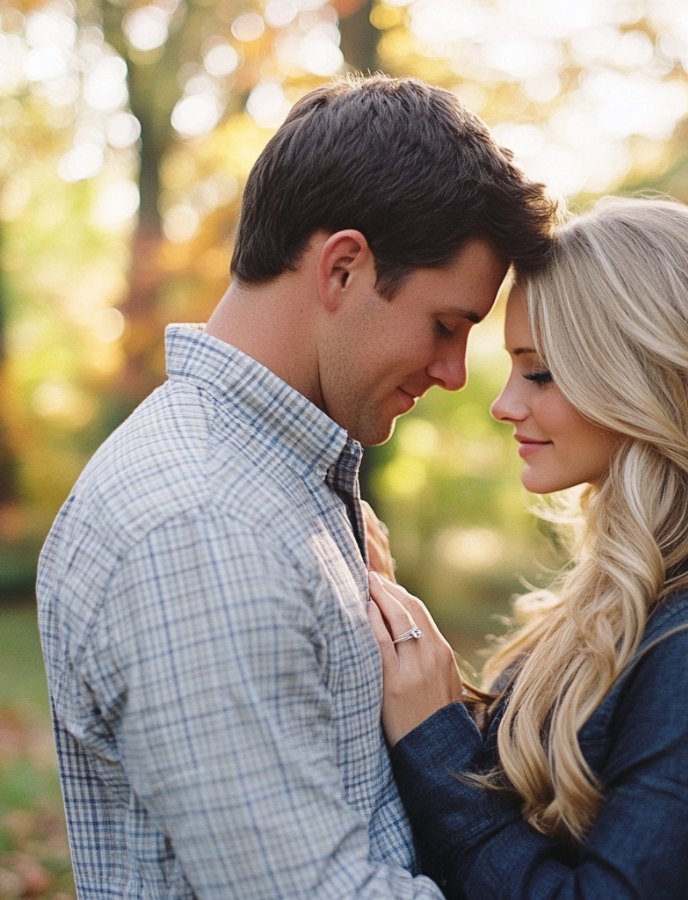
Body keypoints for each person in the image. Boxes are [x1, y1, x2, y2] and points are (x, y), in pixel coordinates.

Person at [36, 74, 556, 900]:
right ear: (344, 268)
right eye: (445, 326)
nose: (457, 374)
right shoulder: (202, 527)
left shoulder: (279, 488)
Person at [367, 197, 688, 900]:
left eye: (538, 372)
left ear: (652, 380)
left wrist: (432, 737)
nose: (504, 404)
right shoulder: (633, 601)